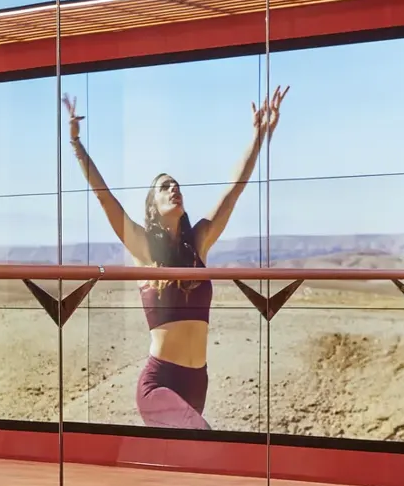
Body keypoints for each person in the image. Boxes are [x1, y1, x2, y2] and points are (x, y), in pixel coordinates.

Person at [63, 84, 287, 430]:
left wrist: (258, 137)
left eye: (176, 184)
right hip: (160, 382)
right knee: (203, 437)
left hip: (198, 380)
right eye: (165, 186)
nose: (174, 189)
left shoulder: (198, 242)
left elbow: (234, 191)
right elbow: (105, 197)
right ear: (152, 206)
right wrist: (77, 145)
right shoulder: (145, 248)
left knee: (184, 469)